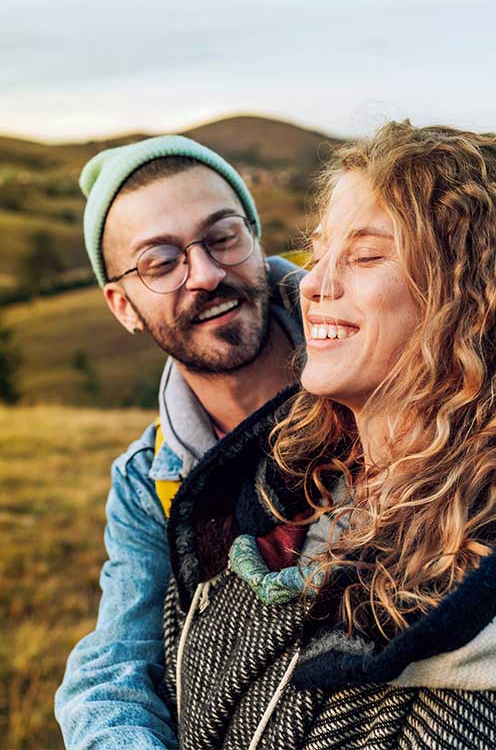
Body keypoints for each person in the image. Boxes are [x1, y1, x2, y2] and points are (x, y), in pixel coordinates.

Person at [160, 121, 496, 749]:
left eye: (365, 255)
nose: (313, 283)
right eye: (320, 250)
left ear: (471, 299)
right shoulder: (275, 488)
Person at [53, 135, 306, 749]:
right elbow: (111, 673)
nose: (207, 274)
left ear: (255, 235)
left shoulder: (390, 377)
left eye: (222, 237)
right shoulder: (149, 482)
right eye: (160, 263)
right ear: (123, 306)